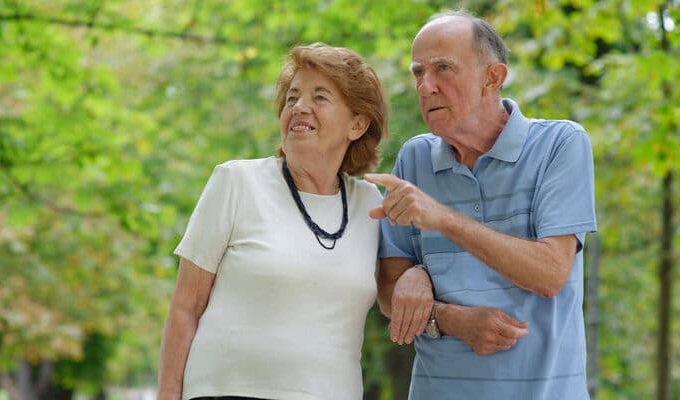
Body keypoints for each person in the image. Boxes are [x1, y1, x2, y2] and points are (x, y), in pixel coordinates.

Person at [365, 9, 597, 400]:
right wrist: (446, 315)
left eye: (443, 68)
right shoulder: (415, 159)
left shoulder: (560, 144)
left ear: (493, 78)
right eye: (418, 72)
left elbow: (550, 274)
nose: (426, 87)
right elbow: (391, 293)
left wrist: (443, 219)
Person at [158, 43, 389, 400]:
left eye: (320, 97)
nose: (299, 107)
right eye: (292, 97)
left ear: (357, 124)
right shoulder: (236, 181)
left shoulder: (372, 204)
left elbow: (395, 294)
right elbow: (186, 308)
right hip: (227, 392)